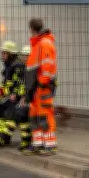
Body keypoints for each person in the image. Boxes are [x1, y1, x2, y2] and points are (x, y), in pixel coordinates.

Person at [23, 19, 58, 155]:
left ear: (32, 28)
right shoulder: (38, 43)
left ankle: (50, 145)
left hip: (42, 87)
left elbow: (48, 65)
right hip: (36, 87)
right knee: (35, 116)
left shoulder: (44, 43)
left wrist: (42, 82)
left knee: (44, 115)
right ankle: (37, 144)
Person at [0, 41, 25, 146]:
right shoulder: (8, 65)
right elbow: (5, 83)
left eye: (4, 53)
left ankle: (4, 138)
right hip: (8, 95)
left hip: (17, 97)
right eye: (2, 53)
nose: (2, 55)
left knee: (4, 109)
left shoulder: (17, 66)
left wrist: (14, 94)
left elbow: (19, 83)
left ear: (11, 54)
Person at [16, 45, 32, 152]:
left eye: (26, 56)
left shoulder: (33, 70)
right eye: (23, 55)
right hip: (25, 99)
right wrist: (21, 97)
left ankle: (28, 140)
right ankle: (25, 140)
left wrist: (25, 98)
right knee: (20, 113)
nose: (24, 58)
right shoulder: (23, 69)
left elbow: (31, 87)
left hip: (33, 100)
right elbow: (22, 86)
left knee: (22, 113)